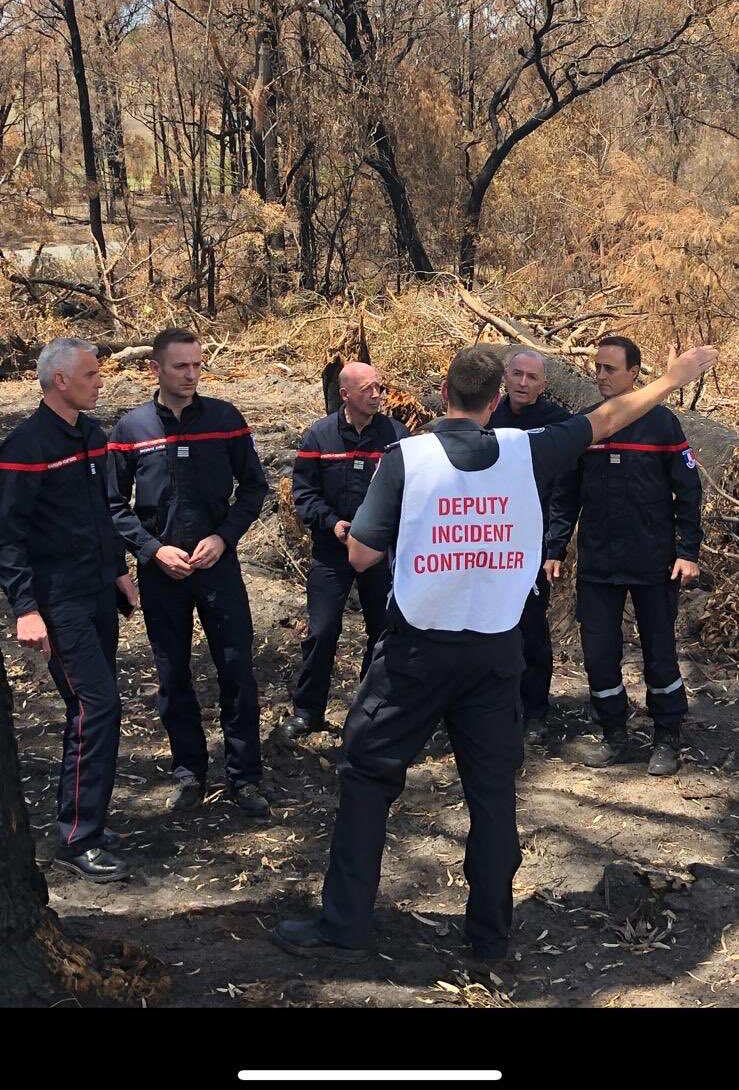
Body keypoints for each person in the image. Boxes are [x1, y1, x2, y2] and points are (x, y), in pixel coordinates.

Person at [271, 339, 716, 964]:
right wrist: (677, 375)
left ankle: (344, 923)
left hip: (417, 652)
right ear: (495, 400)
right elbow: (608, 418)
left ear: (446, 395)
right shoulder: (526, 451)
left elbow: (362, 555)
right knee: (491, 791)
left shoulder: (407, 456)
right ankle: (488, 937)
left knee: (369, 777)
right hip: (496, 651)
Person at [107, 328, 270, 817]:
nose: (192, 374)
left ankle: (244, 775)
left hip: (217, 564)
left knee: (237, 668)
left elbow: (255, 488)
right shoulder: (131, 429)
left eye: (197, 365)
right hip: (162, 572)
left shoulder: (224, 418)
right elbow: (114, 504)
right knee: (172, 672)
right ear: (155, 368)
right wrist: (152, 551)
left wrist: (224, 538)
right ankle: (189, 772)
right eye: (181, 366)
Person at [0, 339, 139, 883]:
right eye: (90, 374)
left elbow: (103, 512)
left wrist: (118, 570)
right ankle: (79, 836)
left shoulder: (93, 436)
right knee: (96, 704)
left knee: (99, 705)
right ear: (59, 380)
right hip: (58, 601)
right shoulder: (25, 446)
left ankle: (91, 822)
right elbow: (8, 537)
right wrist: (25, 609)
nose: (99, 381)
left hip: (97, 591)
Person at [545, 334, 703, 777]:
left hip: (653, 561)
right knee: (598, 653)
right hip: (598, 563)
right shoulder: (587, 425)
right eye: (597, 367)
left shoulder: (662, 425)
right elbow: (565, 494)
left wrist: (687, 551)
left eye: (610, 368)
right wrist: (555, 548)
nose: (600, 375)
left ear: (635, 373)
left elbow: (688, 490)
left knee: (658, 650)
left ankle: (666, 736)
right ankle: (614, 734)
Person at [281, 363, 409, 742]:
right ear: (345, 395)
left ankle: (372, 712)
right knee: (321, 631)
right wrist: (332, 523)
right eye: (368, 389)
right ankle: (308, 712)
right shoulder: (319, 436)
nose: (377, 395)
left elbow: (410, 491)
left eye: (380, 388)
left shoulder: (395, 436)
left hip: (379, 553)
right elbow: (303, 493)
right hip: (331, 552)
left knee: (382, 632)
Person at [487, 349, 572, 742]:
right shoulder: (489, 416)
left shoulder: (556, 423)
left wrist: (554, 547)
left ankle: (536, 710)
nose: (522, 383)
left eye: (531, 377)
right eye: (517, 374)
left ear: (543, 384)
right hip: (486, 540)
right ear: (505, 376)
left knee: (531, 628)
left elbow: (563, 491)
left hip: (532, 544)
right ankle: (493, 707)